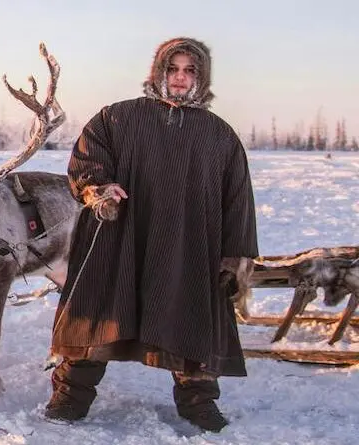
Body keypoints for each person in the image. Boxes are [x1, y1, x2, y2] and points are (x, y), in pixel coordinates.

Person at [44, 37, 258, 433]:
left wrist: (234, 257)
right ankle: (69, 397)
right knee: (100, 316)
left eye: (189, 70)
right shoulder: (118, 118)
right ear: (157, 72)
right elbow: (87, 161)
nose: (179, 78)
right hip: (120, 239)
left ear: (201, 77)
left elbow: (238, 200)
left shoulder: (219, 135)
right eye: (172, 69)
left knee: (191, 319)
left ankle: (198, 405)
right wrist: (99, 189)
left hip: (188, 246)